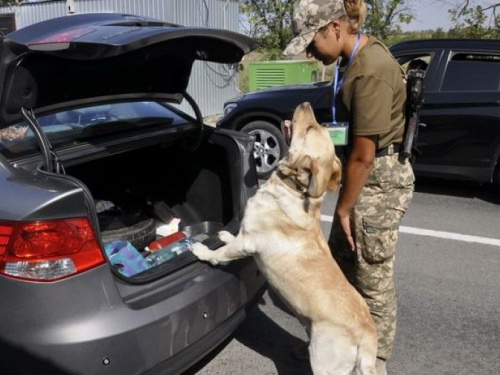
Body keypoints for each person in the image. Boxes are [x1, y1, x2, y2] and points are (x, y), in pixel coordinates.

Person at [284, 0, 415, 374]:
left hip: (376, 186)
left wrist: (343, 209)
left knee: (372, 279)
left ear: (335, 28)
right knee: (338, 270)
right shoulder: (349, 62)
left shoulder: (370, 68)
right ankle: (334, 344)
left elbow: (363, 155)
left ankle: (375, 361)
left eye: (312, 42)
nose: (310, 51)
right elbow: (348, 129)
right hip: (361, 182)